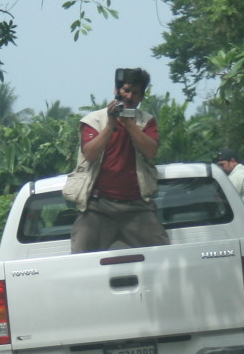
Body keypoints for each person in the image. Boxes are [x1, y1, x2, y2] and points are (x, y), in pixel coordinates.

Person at [64, 68, 169, 252]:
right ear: (116, 91)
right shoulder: (94, 120)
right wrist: (111, 124)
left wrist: (129, 124)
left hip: (136, 206)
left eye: (135, 93)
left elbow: (151, 151)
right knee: (80, 256)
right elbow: (90, 154)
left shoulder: (146, 121)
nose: (129, 96)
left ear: (141, 98)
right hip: (98, 206)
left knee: (162, 253)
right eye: (126, 90)